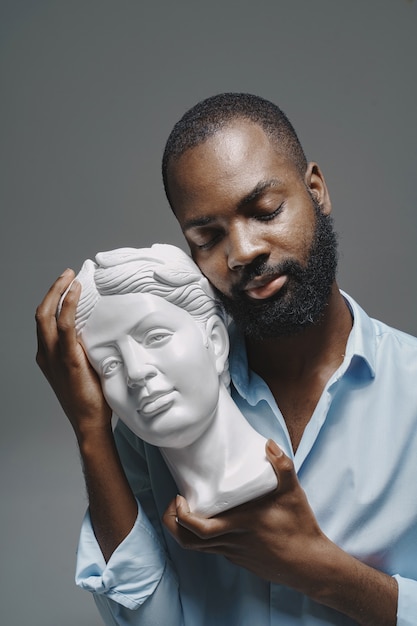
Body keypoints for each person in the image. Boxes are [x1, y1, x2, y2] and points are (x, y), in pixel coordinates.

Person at [35, 93, 417, 625]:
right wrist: (91, 430)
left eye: (265, 211)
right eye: (207, 237)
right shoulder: (156, 419)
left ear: (315, 190)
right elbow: (147, 620)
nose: (242, 251)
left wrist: (318, 569)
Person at [66, 244, 277, 517]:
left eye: (156, 337)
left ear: (215, 342)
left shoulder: (267, 466)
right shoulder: (137, 479)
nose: (135, 372)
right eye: (110, 364)